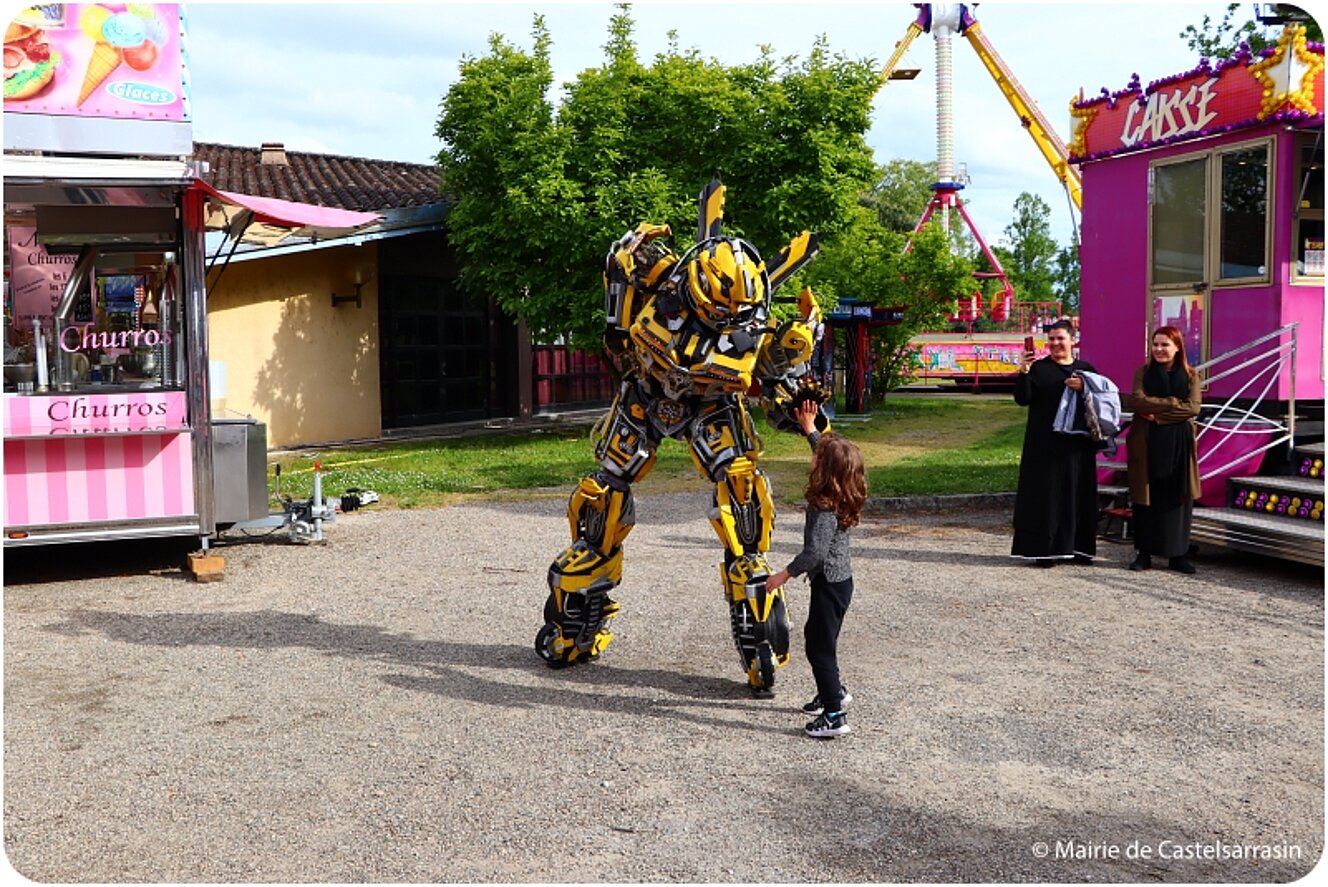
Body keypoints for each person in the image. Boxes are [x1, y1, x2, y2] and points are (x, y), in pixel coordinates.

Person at [766, 400, 867, 739]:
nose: (814, 456)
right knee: (822, 640)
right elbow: (830, 453)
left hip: (830, 583)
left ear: (823, 470)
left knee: (817, 647)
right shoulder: (841, 484)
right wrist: (810, 427)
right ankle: (832, 691)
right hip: (841, 582)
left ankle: (835, 715)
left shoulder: (824, 506)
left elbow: (815, 553)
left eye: (817, 456)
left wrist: (784, 574)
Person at [1011, 319, 1100, 566]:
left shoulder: (1086, 370)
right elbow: (1022, 399)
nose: (1056, 344)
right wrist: (1023, 372)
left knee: (1077, 495)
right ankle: (1045, 550)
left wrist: (1085, 387)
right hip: (1044, 444)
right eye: (1051, 339)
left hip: (1077, 446)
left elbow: (1101, 401)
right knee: (1047, 497)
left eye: (1061, 338)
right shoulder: (1039, 368)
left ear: (1073, 340)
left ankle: (1078, 549)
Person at [1126, 326, 1202, 574]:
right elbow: (1136, 400)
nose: (1159, 349)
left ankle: (1177, 554)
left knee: (1177, 496)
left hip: (1178, 444)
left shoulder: (1191, 376)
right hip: (1147, 443)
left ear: (1177, 347)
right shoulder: (1143, 373)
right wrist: (1171, 403)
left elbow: (1192, 408)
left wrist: (1159, 417)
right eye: (1155, 344)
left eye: (1164, 345)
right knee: (1146, 498)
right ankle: (1144, 553)